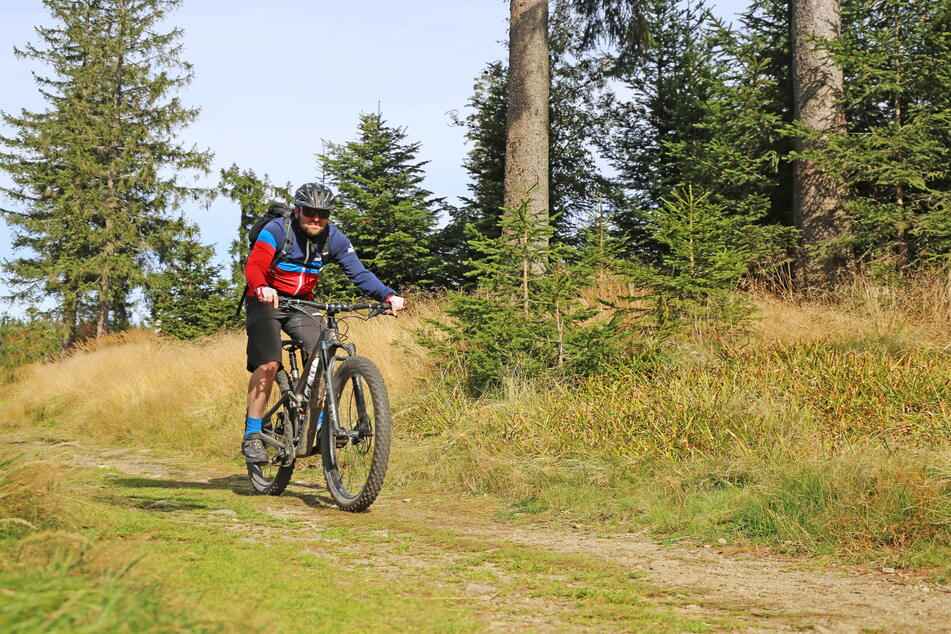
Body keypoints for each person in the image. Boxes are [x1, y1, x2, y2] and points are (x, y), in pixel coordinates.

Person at [241, 182, 406, 463]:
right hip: (265, 299)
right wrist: (261, 287)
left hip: (302, 303)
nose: (316, 219)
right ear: (297, 211)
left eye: (323, 214)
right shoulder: (277, 231)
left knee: (324, 354)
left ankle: (316, 422)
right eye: (309, 213)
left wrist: (388, 295)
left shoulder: (334, 239)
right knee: (268, 363)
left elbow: (359, 273)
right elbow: (255, 264)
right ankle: (253, 434)